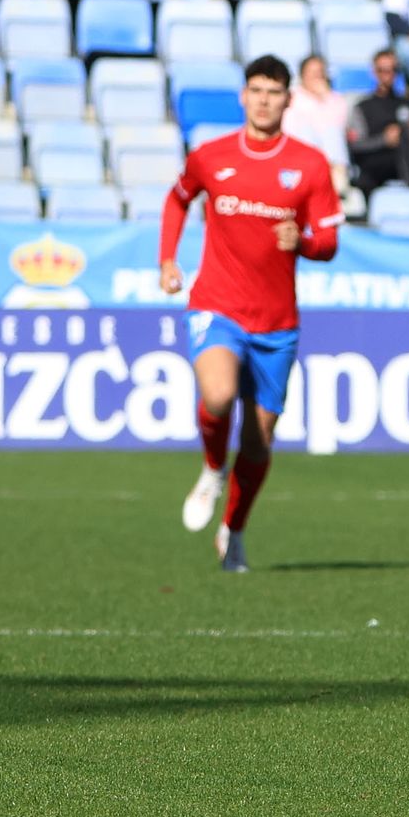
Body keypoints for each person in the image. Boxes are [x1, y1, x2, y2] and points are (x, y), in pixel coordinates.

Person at [159, 55, 343, 573]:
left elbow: (329, 242)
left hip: (276, 323)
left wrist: (302, 241)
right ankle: (212, 470)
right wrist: (168, 259)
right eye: (256, 90)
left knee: (259, 440)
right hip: (216, 305)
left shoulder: (310, 164)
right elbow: (176, 200)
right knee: (217, 394)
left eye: (274, 92)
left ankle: (234, 530)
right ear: (243, 96)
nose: (264, 101)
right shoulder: (210, 156)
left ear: (288, 99)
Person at [346, 48, 409, 194]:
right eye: (382, 70)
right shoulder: (362, 107)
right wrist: (384, 139)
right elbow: (356, 145)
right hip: (376, 166)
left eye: (392, 70)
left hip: (408, 162)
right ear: (374, 72)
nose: (387, 75)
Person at [282, 54, 352, 190]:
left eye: (320, 72)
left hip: (331, 160)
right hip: (300, 157)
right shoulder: (292, 98)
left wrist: (325, 98)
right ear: (303, 75)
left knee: (332, 132)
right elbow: (290, 130)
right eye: (313, 72)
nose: (317, 76)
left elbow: (340, 126)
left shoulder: (335, 99)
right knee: (307, 130)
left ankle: (337, 182)